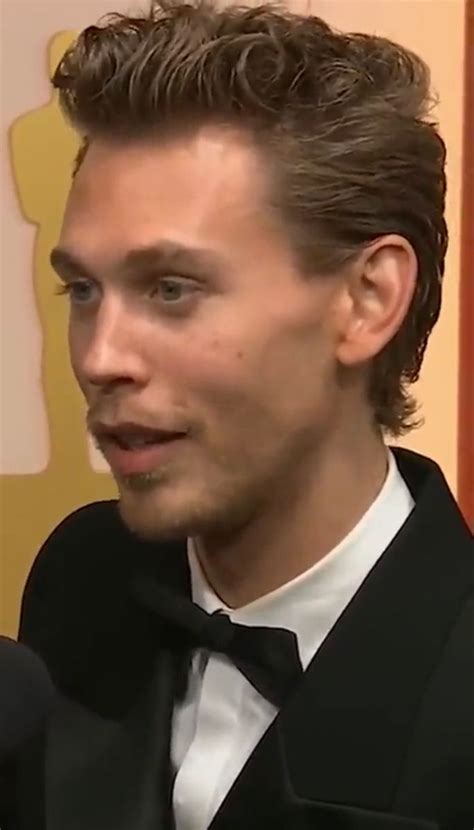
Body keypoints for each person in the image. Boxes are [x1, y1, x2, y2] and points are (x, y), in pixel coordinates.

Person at [3, 1, 473, 828]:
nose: (99, 356)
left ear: (367, 300)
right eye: (83, 289)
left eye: (171, 288)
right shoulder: (83, 575)